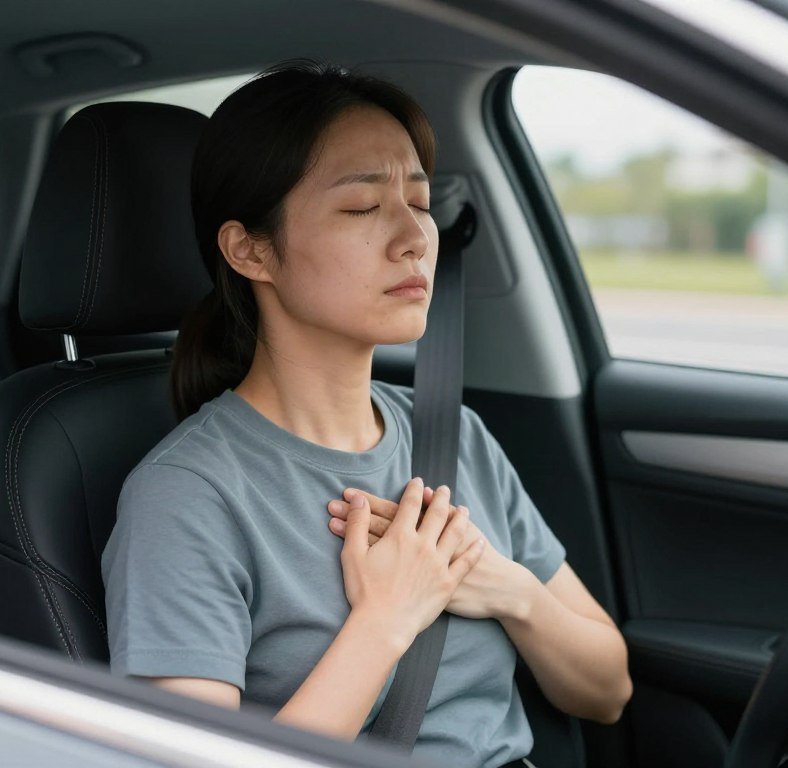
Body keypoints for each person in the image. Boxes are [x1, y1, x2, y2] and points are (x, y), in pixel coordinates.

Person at [100, 59, 632, 768]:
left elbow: (609, 690)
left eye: (418, 201)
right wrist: (387, 618)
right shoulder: (186, 497)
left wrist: (507, 589)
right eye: (361, 208)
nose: (414, 236)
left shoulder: (453, 436)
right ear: (252, 250)